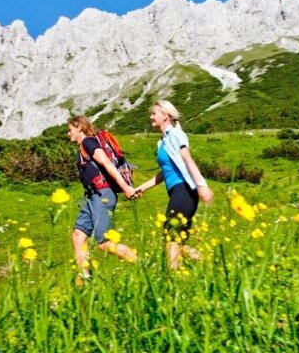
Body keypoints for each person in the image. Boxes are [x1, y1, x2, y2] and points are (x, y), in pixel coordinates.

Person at [132, 100, 214, 269]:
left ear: (166, 116)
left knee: (170, 238)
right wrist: (142, 188)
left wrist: (202, 185)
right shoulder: (162, 141)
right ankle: (211, 265)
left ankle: (173, 280)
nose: (151, 117)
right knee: (179, 243)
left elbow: (187, 158)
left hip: (184, 190)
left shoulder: (176, 134)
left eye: (154, 113)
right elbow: (165, 173)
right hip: (178, 191)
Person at [67, 116, 137, 280]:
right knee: (78, 236)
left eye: (70, 129)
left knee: (104, 243)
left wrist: (126, 187)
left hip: (102, 194)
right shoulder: (84, 146)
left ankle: (142, 264)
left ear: (79, 128)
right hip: (92, 197)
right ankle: (84, 278)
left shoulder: (88, 142)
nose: (68, 133)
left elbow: (106, 162)